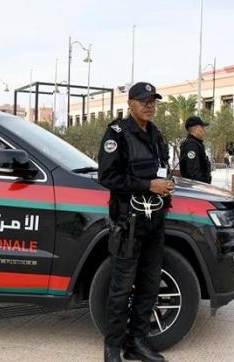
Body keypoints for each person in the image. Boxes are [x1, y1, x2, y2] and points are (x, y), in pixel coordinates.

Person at [98, 81, 173, 362]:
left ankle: (136, 344)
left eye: (153, 100)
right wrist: (148, 185)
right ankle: (112, 349)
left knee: (149, 285)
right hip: (128, 224)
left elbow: (161, 168)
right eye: (144, 100)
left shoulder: (156, 134)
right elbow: (107, 178)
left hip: (154, 222)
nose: (150, 105)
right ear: (130, 104)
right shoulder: (117, 133)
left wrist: (166, 184)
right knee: (120, 289)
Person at [179, 116, 212, 183]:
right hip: (196, 187)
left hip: (197, 187)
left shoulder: (195, 144)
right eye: (202, 127)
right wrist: (204, 184)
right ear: (195, 129)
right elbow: (193, 173)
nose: (204, 130)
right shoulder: (191, 146)